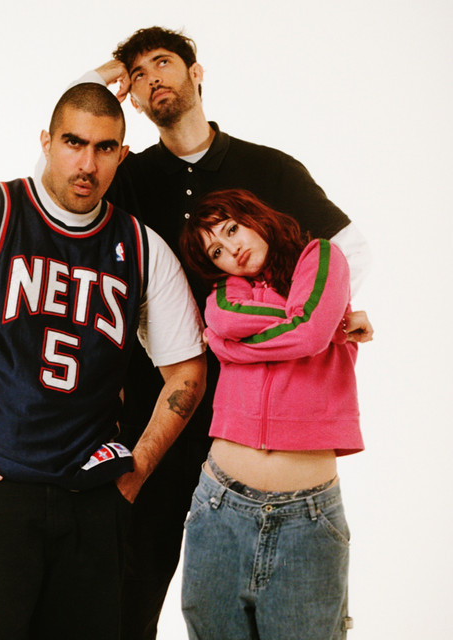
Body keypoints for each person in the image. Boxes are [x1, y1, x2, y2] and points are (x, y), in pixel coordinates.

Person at [73, 26, 373, 639]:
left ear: (196, 71)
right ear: (130, 95)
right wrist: (94, 82)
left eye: (163, 63)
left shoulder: (268, 168)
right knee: (130, 586)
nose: (152, 78)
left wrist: (329, 317)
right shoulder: (128, 177)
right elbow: (59, 195)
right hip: (156, 409)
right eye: (137, 73)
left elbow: (348, 249)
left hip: (256, 420)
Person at [0, 82, 207, 640]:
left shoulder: (142, 247)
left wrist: (136, 469)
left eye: (104, 148)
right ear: (46, 142)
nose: (87, 164)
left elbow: (187, 370)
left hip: (90, 501)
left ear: (122, 154)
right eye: (73, 143)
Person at [178, 188, 366, 639]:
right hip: (219, 509)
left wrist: (228, 347)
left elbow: (309, 333)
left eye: (232, 229)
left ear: (253, 216)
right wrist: (317, 322)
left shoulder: (322, 257)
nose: (232, 249)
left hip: (308, 519)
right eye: (216, 252)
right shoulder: (228, 290)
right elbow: (226, 321)